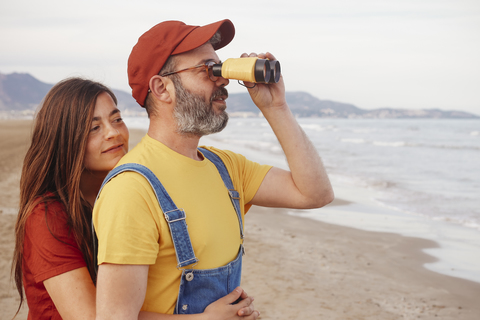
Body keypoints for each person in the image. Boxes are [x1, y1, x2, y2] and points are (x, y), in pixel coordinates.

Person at [93, 19, 334, 319]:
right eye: (207, 69)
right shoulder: (131, 189)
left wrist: (276, 107)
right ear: (162, 87)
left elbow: (316, 194)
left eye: (220, 68)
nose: (222, 80)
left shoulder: (226, 168)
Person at [12, 77, 255, 320]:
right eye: (94, 128)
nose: (113, 133)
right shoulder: (47, 216)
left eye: (117, 119)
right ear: (64, 140)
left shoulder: (130, 191)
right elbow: (90, 316)